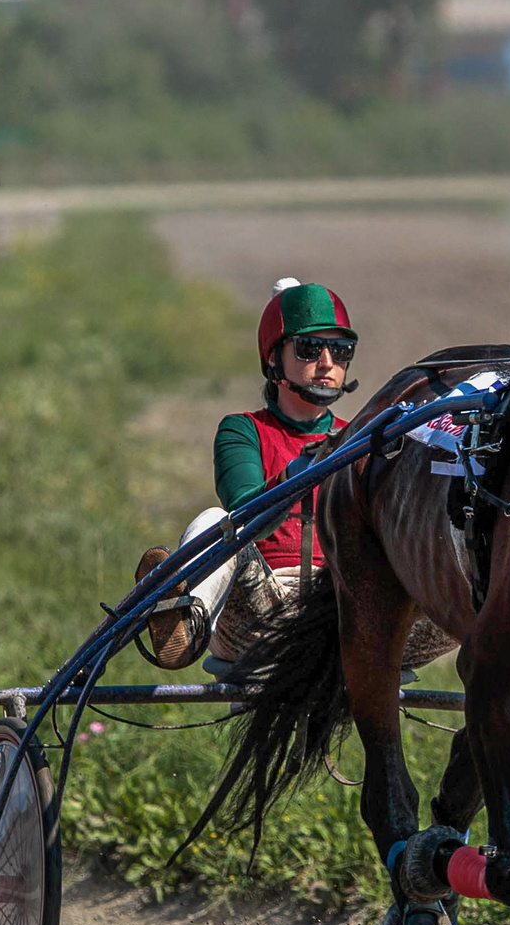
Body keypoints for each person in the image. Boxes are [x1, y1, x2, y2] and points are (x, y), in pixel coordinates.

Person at [134, 278, 357, 676]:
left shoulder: (360, 435)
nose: (327, 363)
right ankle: (186, 622)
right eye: (309, 348)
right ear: (273, 359)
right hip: (259, 611)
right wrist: (294, 477)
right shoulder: (242, 430)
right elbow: (244, 514)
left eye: (340, 350)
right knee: (214, 522)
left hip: (345, 611)